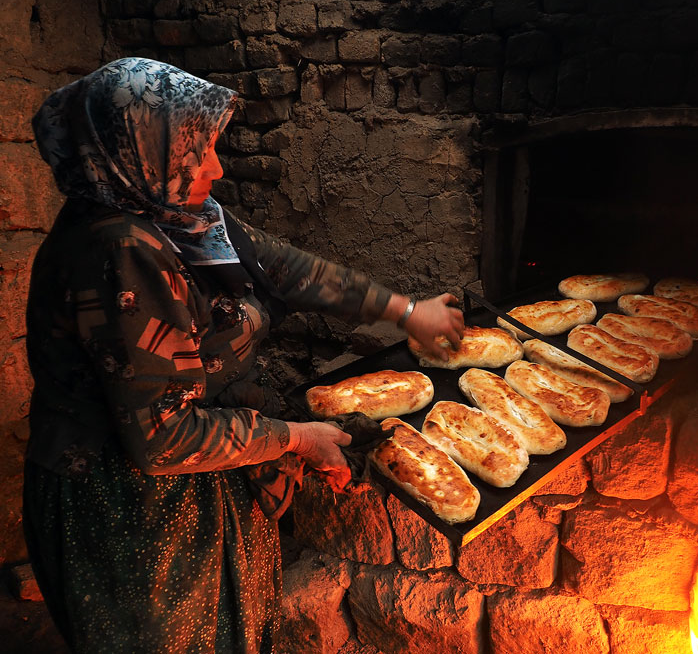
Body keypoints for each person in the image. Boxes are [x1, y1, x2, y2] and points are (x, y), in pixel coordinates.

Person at [23, 57, 465, 653]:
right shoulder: (120, 248)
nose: (217, 166)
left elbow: (285, 267)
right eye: (196, 151)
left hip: (194, 482)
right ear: (141, 151)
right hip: (134, 513)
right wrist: (293, 438)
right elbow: (163, 439)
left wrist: (407, 312)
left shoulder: (174, 210)